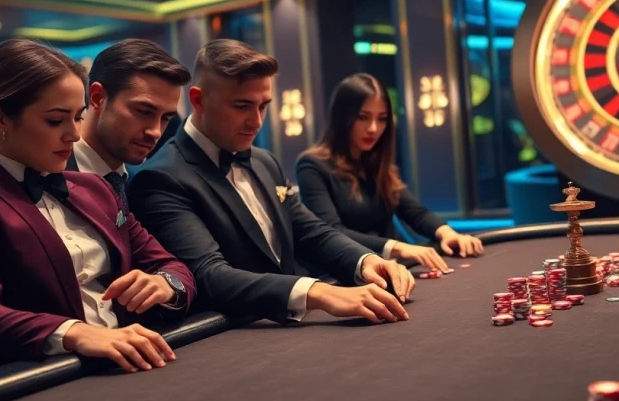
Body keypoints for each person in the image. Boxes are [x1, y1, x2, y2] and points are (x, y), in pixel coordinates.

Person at [0, 39, 196, 379]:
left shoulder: (94, 187)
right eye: (56, 121)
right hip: (35, 382)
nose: (74, 134)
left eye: (78, 117)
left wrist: (165, 285)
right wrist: (73, 332)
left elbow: (173, 267)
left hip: (128, 367)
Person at [128, 40, 415, 325]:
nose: (256, 121)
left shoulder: (265, 161)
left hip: (291, 332)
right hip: (227, 340)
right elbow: (208, 273)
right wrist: (318, 292)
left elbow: (311, 232)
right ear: (198, 100)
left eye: (263, 106)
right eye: (242, 106)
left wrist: (364, 260)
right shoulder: (160, 178)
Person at [296, 73, 484, 275]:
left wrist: (447, 233)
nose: (373, 128)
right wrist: (400, 248)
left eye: (382, 119)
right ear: (342, 117)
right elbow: (333, 232)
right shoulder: (312, 165)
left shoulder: (375, 164)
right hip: (344, 277)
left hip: (391, 271)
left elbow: (415, 212)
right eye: (363, 117)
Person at [68, 38, 191, 207]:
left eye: (165, 118)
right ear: (98, 98)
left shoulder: (143, 186)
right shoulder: (42, 175)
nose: (155, 132)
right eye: (144, 112)